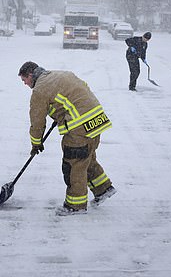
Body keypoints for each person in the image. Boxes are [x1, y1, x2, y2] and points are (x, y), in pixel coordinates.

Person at [18, 61, 116, 215]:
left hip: (79, 126)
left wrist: (36, 143)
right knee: (86, 157)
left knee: (73, 164)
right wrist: (62, 113)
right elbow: (77, 94)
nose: (25, 84)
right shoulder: (62, 74)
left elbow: (37, 121)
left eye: (24, 80)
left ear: (30, 75)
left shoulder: (39, 90)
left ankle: (75, 206)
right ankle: (103, 189)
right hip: (97, 120)